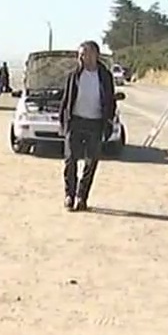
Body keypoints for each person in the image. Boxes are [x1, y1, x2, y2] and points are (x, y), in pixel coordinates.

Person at [58, 40, 117, 212]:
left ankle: (81, 197)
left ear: (96, 55)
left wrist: (108, 120)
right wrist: (63, 121)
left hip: (95, 123)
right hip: (75, 121)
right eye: (81, 55)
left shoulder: (105, 76)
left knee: (91, 162)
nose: (83, 58)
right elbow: (66, 100)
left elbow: (110, 100)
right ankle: (69, 195)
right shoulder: (74, 75)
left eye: (86, 54)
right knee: (70, 160)